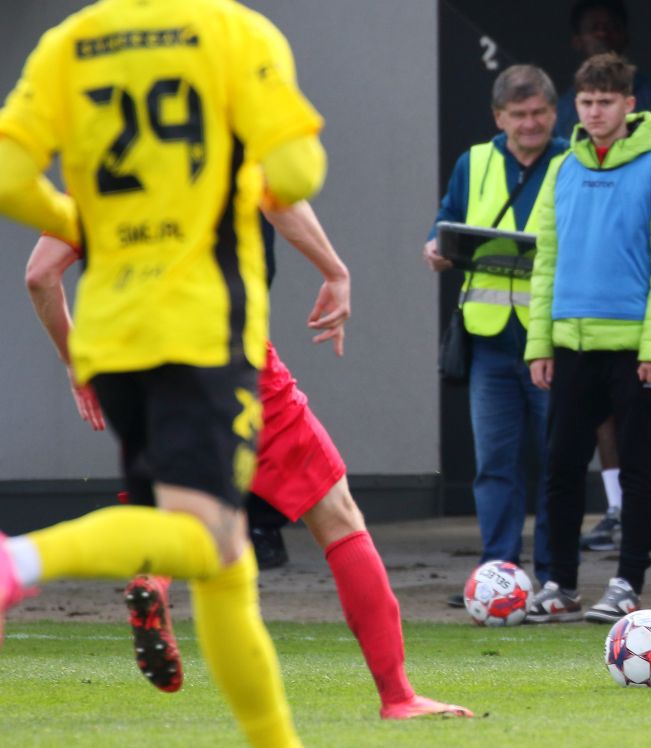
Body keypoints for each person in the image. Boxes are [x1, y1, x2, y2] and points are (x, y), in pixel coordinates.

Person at [0, 2, 385, 748]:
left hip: (111, 335)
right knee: (214, 537)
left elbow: (14, 192)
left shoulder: (71, 43)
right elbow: (294, 177)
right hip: (203, 330)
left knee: (221, 558)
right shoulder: (234, 34)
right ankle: (17, 560)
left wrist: (86, 222)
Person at [26, 206, 472, 721]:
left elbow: (40, 275)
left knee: (177, 508)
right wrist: (335, 272)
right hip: (228, 352)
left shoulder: (96, 169)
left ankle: (147, 576)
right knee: (337, 515)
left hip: (139, 365)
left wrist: (76, 362)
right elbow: (281, 201)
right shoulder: (221, 153)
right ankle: (398, 695)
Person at [523, 53, 651, 624]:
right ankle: (561, 583)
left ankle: (627, 582)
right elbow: (545, 263)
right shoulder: (561, 169)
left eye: (605, 102)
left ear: (629, 104)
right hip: (570, 343)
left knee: (637, 468)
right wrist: (539, 344)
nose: (595, 112)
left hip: (633, 350)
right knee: (562, 467)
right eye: (586, 102)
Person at [423, 65, 566, 606]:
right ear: (498, 117)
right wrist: (435, 247)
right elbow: (445, 221)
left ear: (553, 112)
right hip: (488, 340)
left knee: (556, 464)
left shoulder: (572, 161)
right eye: (518, 114)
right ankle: (496, 579)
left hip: (549, 341)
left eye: (539, 113)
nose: (530, 124)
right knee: (494, 466)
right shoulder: (474, 161)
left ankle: (554, 577)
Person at [554, 0, 651, 175]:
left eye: (611, 27)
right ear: (577, 41)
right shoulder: (562, 109)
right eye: (594, 28)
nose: (602, 33)